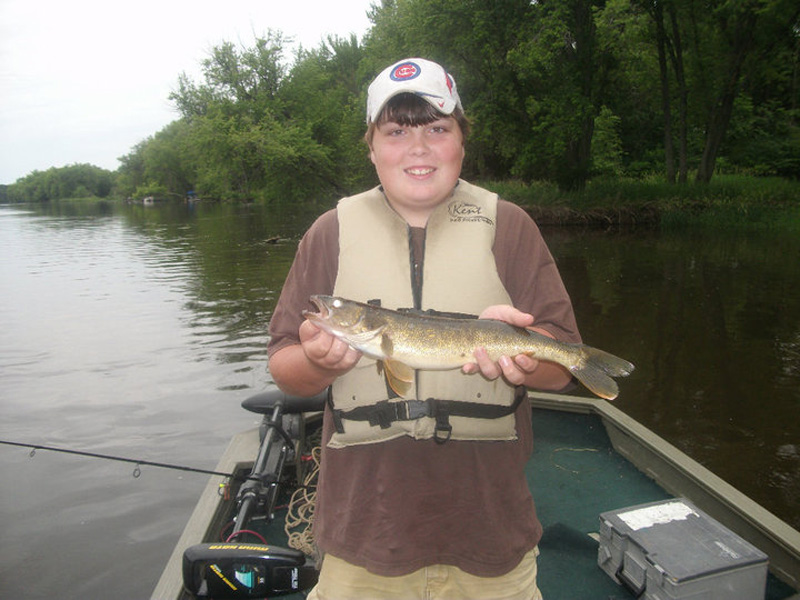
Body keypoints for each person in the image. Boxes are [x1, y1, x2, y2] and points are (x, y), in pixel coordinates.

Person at [267, 57, 581, 600]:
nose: (418, 147)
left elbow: (564, 368)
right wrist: (316, 362)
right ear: (371, 147)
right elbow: (284, 369)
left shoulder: (511, 227)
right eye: (396, 131)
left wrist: (530, 360)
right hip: (364, 535)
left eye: (437, 128)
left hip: (491, 532)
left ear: (462, 142)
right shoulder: (328, 234)